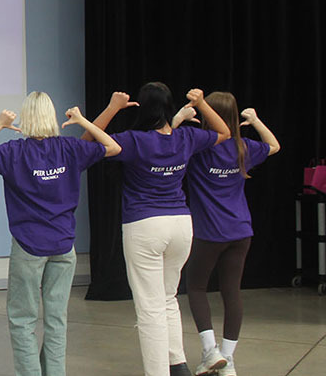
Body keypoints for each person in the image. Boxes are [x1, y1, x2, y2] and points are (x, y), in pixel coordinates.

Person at [0, 93, 121, 376]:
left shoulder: (13, 152)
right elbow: (112, 147)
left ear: (26, 118)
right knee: (56, 320)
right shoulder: (70, 148)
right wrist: (83, 120)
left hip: (29, 246)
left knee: (23, 320)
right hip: (63, 245)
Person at [85, 84, 230, 376]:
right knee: (167, 298)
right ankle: (178, 367)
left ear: (144, 108)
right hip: (180, 225)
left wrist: (113, 107)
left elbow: (87, 141)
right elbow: (225, 132)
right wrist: (201, 104)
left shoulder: (133, 140)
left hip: (145, 226)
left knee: (150, 308)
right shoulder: (186, 137)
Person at [178, 93, 280, 376]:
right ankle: (228, 360)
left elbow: (165, 141)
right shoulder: (243, 147)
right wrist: (256, 121)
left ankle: (210, 352)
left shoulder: (198, 148)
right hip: (240, 231)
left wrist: (181, 117)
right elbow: (274, 145)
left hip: (209, 232)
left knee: (196, 287)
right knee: (231, 291)